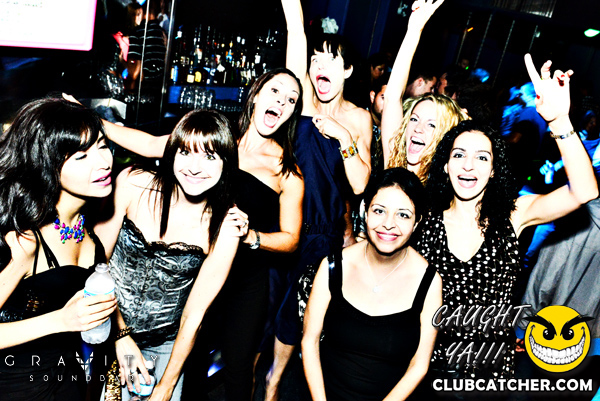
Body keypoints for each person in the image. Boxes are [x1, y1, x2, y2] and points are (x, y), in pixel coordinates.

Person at [416, 54, 599, 379]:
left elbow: (584, 191)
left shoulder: (514, 214)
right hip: (423, 361)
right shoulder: (425, 219)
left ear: (493, 170)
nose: (468, 165)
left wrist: (560, 122)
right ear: (445, 166)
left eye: (481, 157)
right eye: (459, 155)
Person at [94, 110, 246, 401]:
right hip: (101, 321)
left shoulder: (225, 227)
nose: (195, 168)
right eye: (186, 152)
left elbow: (193, 316)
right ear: (172, 153)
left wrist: (165, 387)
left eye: (209, 157)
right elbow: (95, 266)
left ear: (226, 164)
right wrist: (120, 335)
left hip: (163, 343)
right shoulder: (133, 184)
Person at [266, 0, 373, 398]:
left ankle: (275, 382)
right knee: (266, 313)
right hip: (282, 226)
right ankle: (259, 378)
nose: (319, 66)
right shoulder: (301, 103)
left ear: (347, 71)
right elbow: (295, 29)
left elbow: (360, 184)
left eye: (331, 60)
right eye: (315, 59)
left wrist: (344, 137)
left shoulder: (359, 118)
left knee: (298, 320)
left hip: (322, 236)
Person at [0, 98, 117, 400]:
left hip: (68, 382)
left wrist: (123, 339)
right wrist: (61, 321)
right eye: (81, 156)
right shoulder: (23, 238)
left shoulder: (88, 227)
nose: (103, 162)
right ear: (47, 163)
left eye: (102, 146)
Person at [302, 168, 442, 400]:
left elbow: (419, 365)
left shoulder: (429, 282)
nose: (388, 224)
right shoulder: (333, 266)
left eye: (403, 215)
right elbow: (310, 341)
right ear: (365, 212)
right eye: (379, 211)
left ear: (417, 223)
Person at [212, 68, 304, 401]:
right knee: (190, 359)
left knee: (238, 370)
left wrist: (253, 236)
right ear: (256, 93)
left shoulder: (287, 170)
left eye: (291, 100)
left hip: (247, 280)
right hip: (200, 268)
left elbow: (291, 238)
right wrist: (96, 122)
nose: (282, 102)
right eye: (275, 91)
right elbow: (156, 145)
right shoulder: (219, 139)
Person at [380, 0, 467, 183]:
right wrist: (414, 31)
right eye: (414, 119)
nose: (418, 129)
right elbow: (392, 97)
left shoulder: (448, 187)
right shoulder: (395, 163)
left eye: (431, 125)